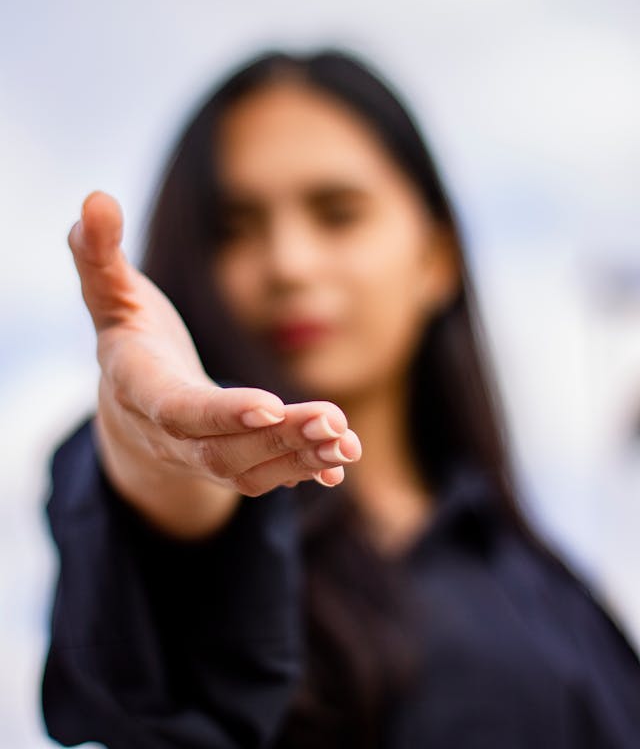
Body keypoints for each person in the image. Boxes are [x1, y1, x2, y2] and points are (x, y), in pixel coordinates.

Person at [42, 49, 640, 748]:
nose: (289, 263)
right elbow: (164, 517)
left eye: (338, 214)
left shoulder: (547, 586)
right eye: (235, 229)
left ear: (435, 258)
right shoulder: (210, 540)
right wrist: (162, 447)